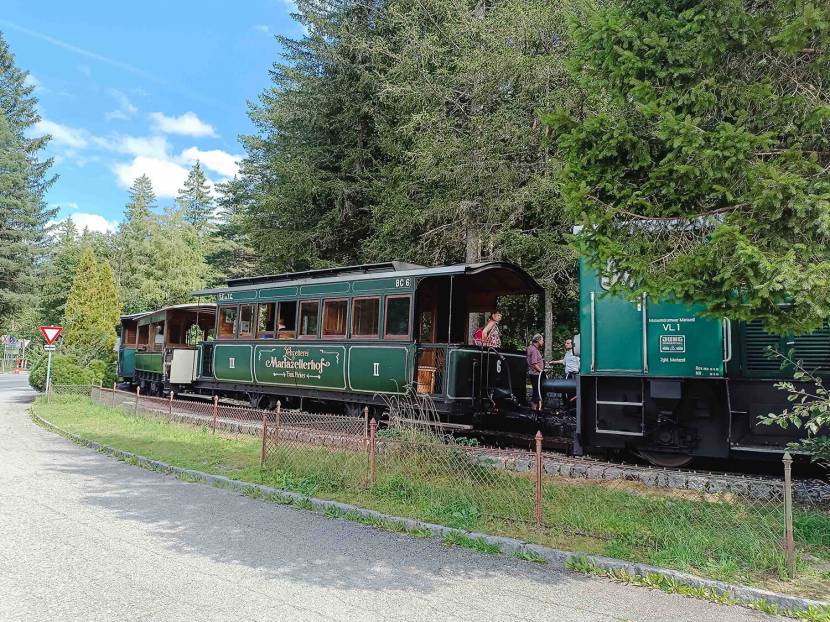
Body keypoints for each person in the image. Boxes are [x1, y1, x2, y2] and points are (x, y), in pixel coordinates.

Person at [526, 333, 545, 411]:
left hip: (535, 374)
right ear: (538, 340)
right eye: (542, 340)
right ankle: (534, 410)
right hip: (536, 374)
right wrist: (541, 371)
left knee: (537, 391)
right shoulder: (533, 349)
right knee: (537, 392)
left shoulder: (532, 348)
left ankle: (538, 409)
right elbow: (534, 363)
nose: (543, 341)